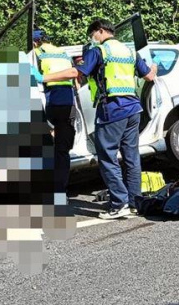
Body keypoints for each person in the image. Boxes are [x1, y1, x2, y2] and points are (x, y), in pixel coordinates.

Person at [43, 19, 157, 219]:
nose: (92, 39)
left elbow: (75, 73)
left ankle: (119, 203)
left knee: (107, 157)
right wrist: (154, 66)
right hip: (133, 110)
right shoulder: (130, 52)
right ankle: (134, 202)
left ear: (101, 31)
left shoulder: (99, 51)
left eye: (92, 35)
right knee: (131, 157)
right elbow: (149, 76)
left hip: (112, 110)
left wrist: (41, 78)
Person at [33, 29, 76, 196]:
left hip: (50, 101)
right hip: (67, 102)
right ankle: (60, 192)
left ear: (35, 42)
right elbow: (74, 77)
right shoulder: (62, 52)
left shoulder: (35, 53)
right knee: (62, 150)